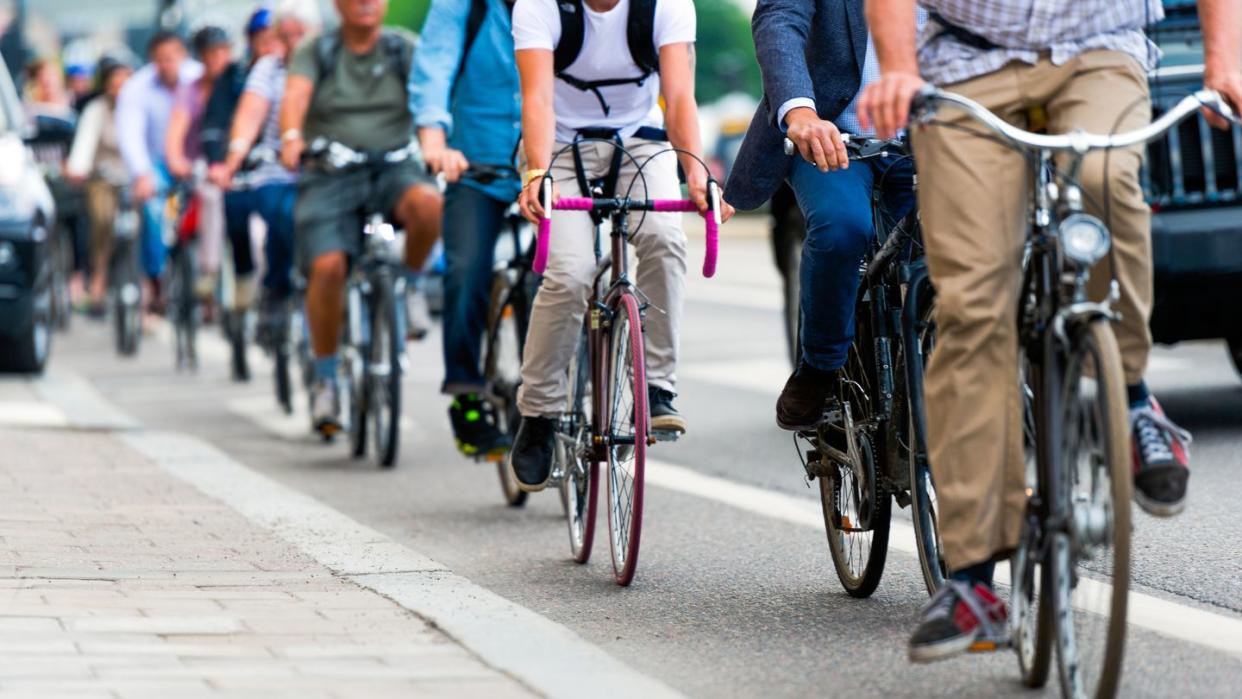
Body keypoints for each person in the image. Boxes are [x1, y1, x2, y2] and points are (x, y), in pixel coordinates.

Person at [857, 0, 1242, 663]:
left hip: (1098, 51)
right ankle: (973, 581)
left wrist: (1224, 63)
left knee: (1102, 181)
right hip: (966, 61)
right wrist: (896, 68)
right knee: (973, 308)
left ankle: (1130, 399)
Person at [506, 0, 734, 491]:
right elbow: (538, 98)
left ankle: (657, 388)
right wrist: (536, 175)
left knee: (665, 238)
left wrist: (696, 176)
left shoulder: (666, 6)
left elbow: (678, 95)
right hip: (559, 148)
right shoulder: (539, 8)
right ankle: (540, 410)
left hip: (640, 142)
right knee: (567, 274)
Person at [725, 0, 917, 432]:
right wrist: (800, 112)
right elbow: (780, 20)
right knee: (842, 228)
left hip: (931, 142)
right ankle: (821, 368)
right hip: (831, 140)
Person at [279, 0, 443, 435]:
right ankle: (326, 379)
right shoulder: (317, 50)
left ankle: (408, 285)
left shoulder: (402, 48)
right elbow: (295, 95)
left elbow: (430, 96)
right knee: (328, 266)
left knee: (430, 205)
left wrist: (435, 141)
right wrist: (293, 137)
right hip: (331, 170)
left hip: (394, 165)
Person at [410, 0, 521, 458]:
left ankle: (569, 390)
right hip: (475, 164)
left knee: (570, 268)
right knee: (466, 271)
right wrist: (435, 139)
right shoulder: (465, 6)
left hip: (552, 164)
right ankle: (467, 395)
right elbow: (435, 63)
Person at [215, 4, 317, 374]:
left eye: (299, 35)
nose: (291, 44)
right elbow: (248, 116)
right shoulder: (267, 69)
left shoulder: (329, 59)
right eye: (284, 36)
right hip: (277, 170)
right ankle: (276, 288)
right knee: (283, 214)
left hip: (327, 170)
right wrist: (234, 156)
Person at [200, 7, 285, 381]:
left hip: (285, 170)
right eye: (262, 37)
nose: (269, 44)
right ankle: (244, 287)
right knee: (234, 214)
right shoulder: (233, 77)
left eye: (275, 36)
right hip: (242, 171)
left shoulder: (295, 70)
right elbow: (216, 124)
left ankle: (279, 292)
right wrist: (221, 163)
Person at [115, 31, 202, 302]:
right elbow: (130, 134)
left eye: (173, 57)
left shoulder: (199, 79)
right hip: (157, 164)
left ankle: (211, 285)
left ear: (183, 55)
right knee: (155, 212)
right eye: (161, 59)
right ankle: (156, 277)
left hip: (195, 161)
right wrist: (142, 174)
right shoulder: (136, 89)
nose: (168, 64)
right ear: (153, 60)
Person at [165, 26, 234, 310]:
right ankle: (209, 269)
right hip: (201, 167)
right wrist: (176, 159)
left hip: (236, 165)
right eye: (212, 53)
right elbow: (176, 128)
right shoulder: (191, 90)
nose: (219, 59)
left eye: (223, 51)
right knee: (208, 198)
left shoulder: (239, 83)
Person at [65, 58, 134, 314]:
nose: (120, 88)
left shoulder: (139, 106)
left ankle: (152, 290)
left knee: (152, 223)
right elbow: (84, 142)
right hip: (103, 178)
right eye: (114, 82)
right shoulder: (96, 109)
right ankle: (99, 279)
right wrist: (77, 168)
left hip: (137, 178)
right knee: (101, 221)